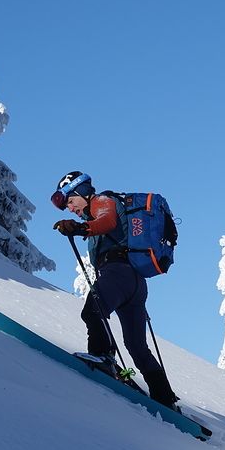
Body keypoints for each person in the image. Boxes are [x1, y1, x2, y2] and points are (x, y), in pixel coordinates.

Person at [51, 171, 179, 409]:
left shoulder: (102, 201)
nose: (70, 208)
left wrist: (80, 228)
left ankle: (103, 357)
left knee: (92, 312)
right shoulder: (96, 211)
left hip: (118, 274)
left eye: (70, 201)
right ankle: (165, 398)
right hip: (134, 283)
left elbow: (107, 222)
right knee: (136, 346)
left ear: (81, 192)